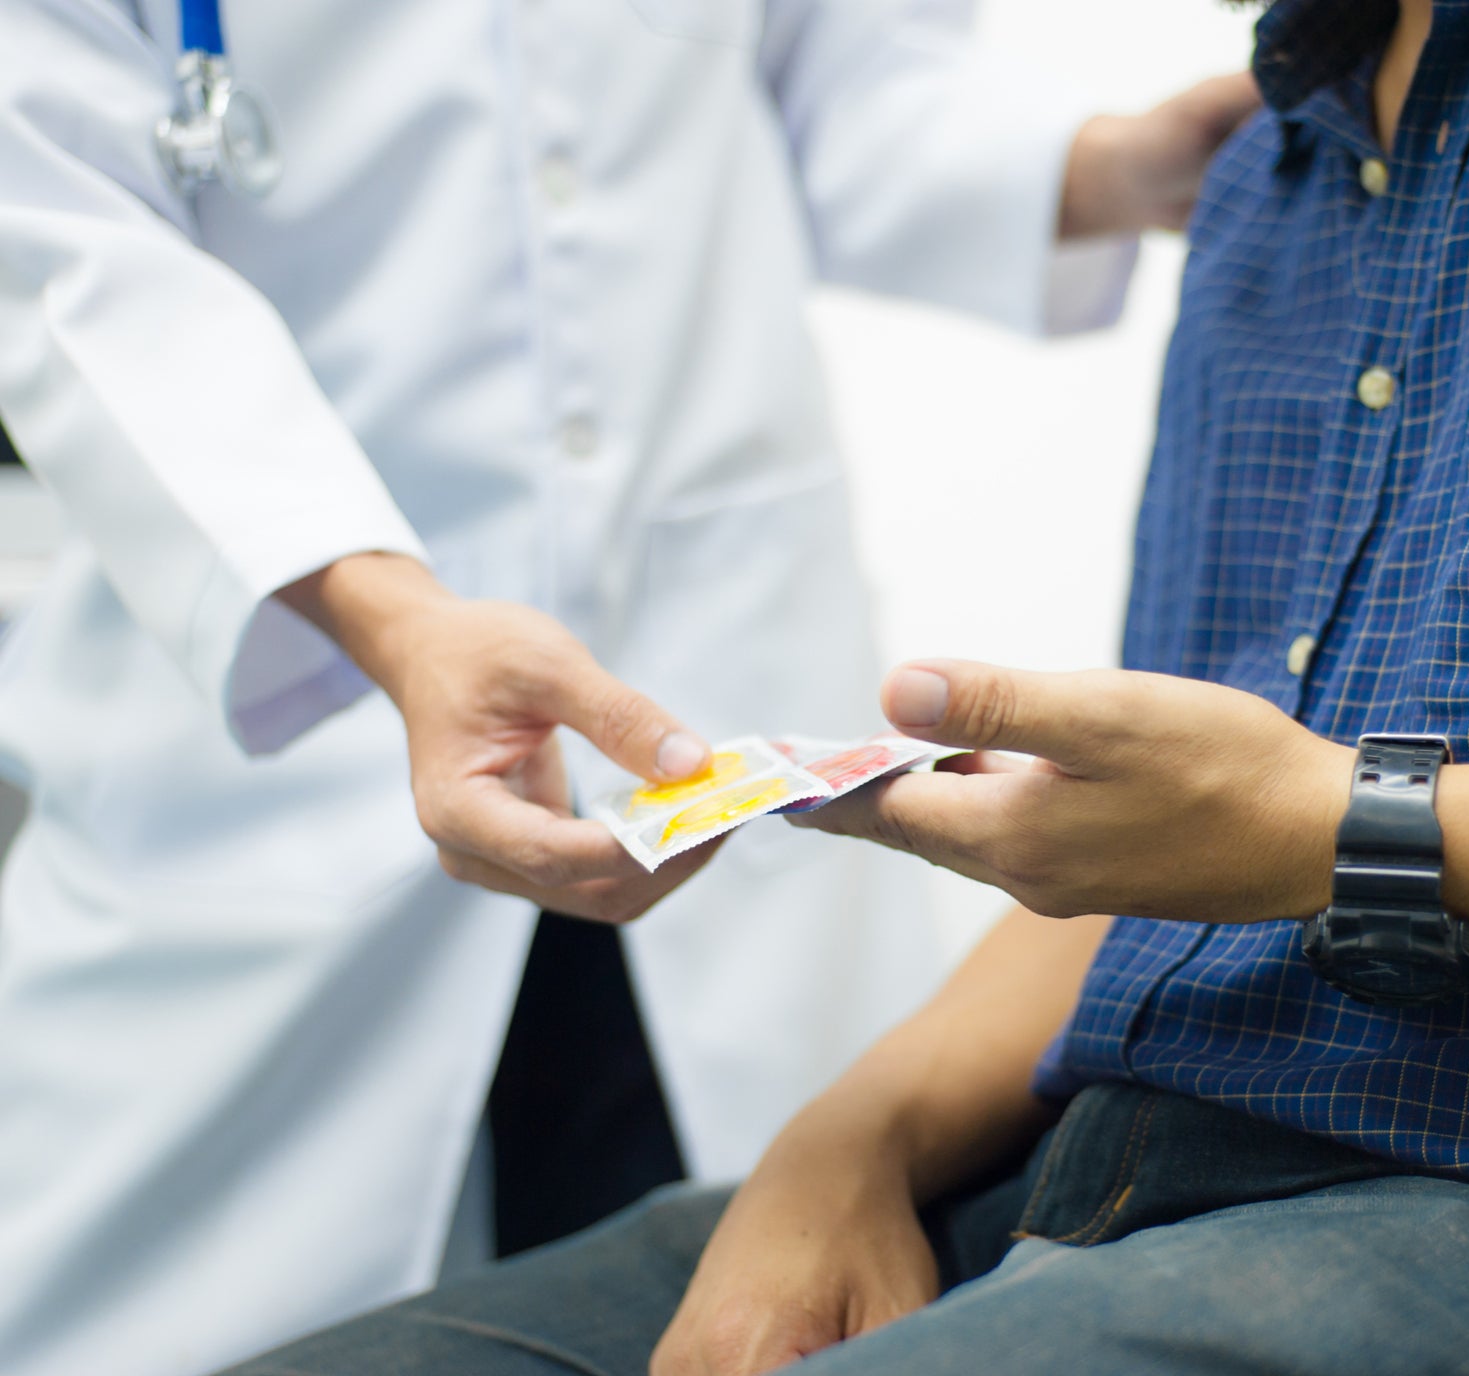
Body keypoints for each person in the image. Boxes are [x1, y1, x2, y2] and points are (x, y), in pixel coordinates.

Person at [210, 0, 1469, 1372]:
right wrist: (853, 1139)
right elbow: (1181, 858)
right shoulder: (1285, 156)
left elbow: (1283, 829)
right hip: (1133, 1157)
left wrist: (1349, 828)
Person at [0, 0, 1258, 1370]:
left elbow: (847, 84)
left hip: (704, 699)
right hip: (283, 701)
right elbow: (62, 244)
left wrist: (1108, 166)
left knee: (725, 1297)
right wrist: (391, 615)